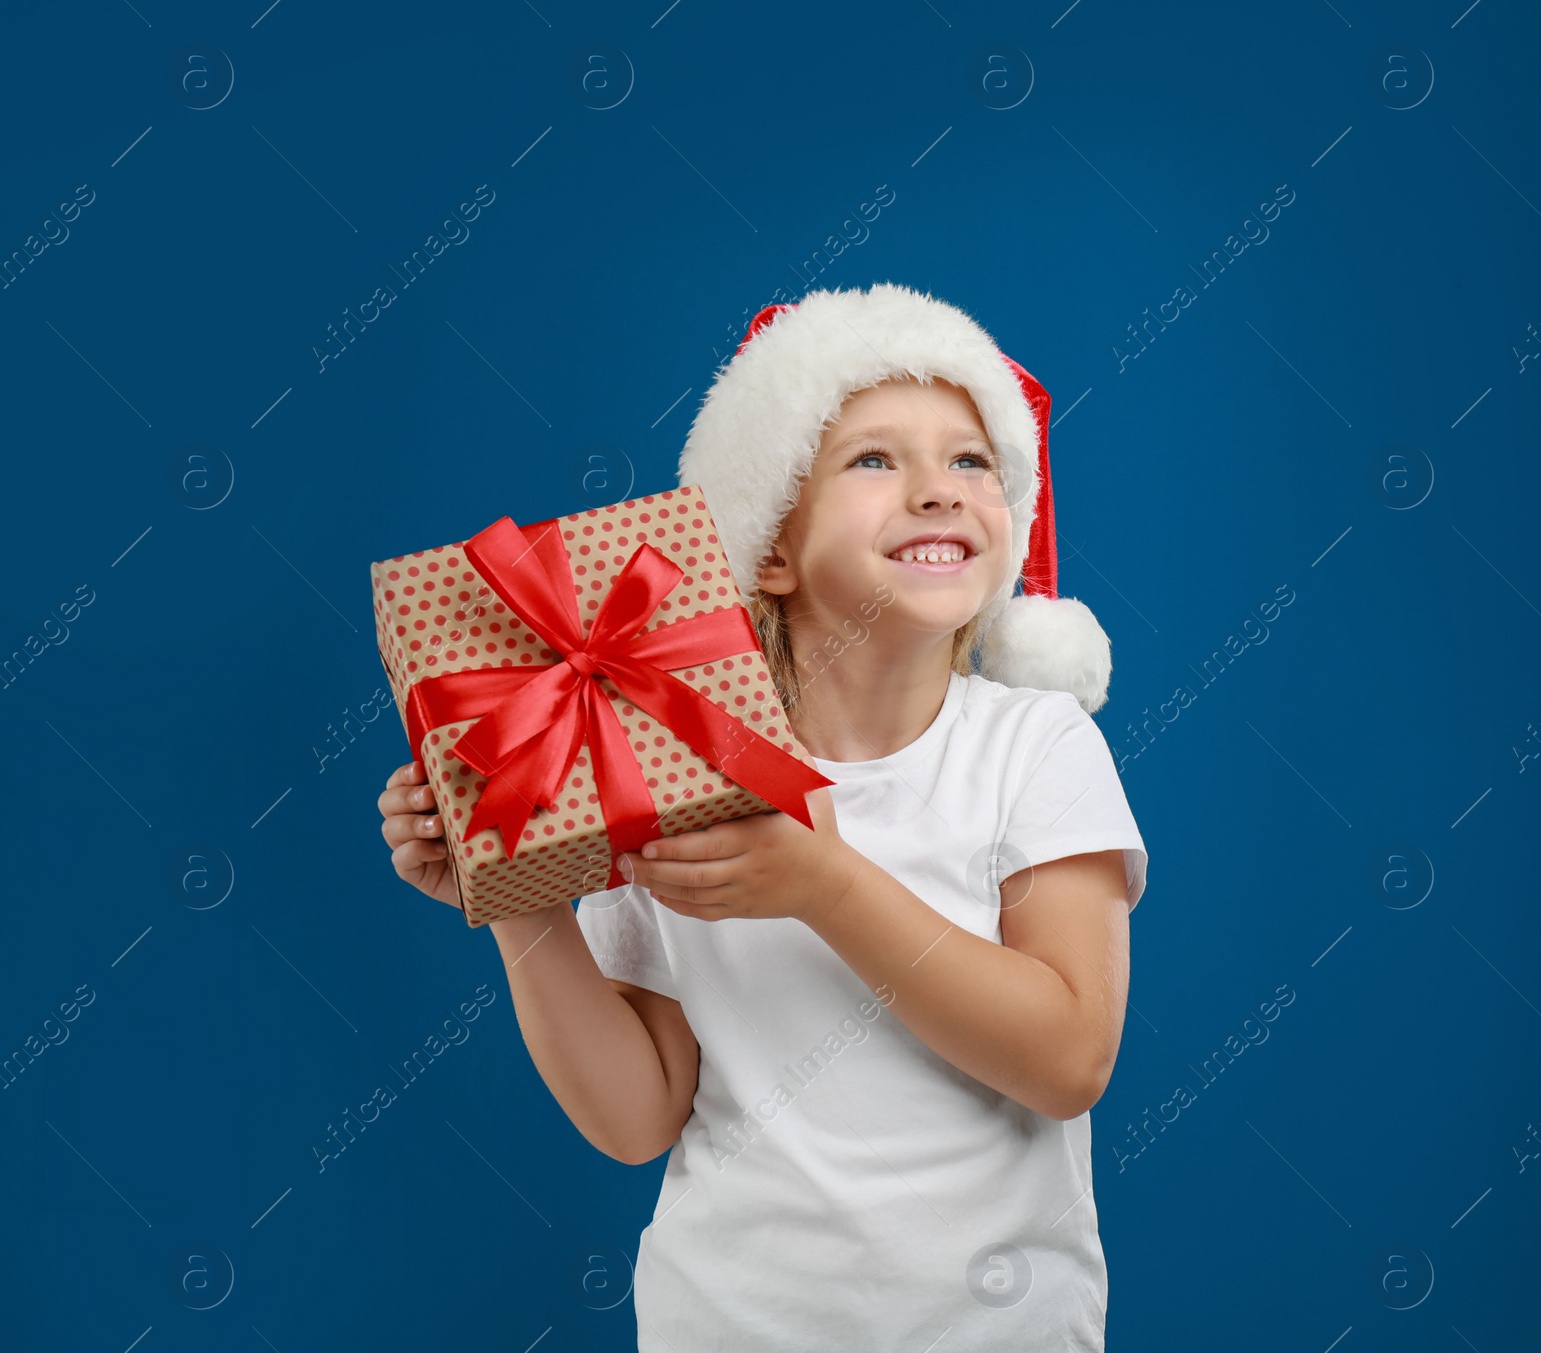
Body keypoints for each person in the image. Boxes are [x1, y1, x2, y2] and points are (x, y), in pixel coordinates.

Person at [377, 282, 1149, 1351]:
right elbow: (638, 1117)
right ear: (770, 550)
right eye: (874, 460)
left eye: (971, 460)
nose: (937, 489)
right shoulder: (667, 767)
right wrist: (513, 891)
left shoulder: (1035, 748)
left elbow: (1068, 1058)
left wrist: (825, 886)